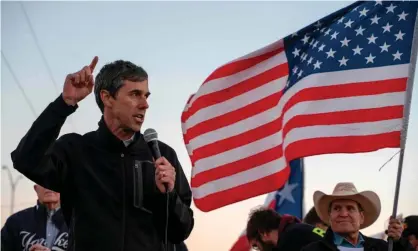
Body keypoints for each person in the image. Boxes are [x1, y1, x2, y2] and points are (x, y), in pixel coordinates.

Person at [11, 57, 194, 251]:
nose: (144, 104)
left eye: (146, 96)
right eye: (135, 94)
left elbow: (180, 231)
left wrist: (167, 196)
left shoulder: (162, 156)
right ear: (107, 97)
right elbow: (25, 159)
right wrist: (64, 104)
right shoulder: (76, 151)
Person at [302, 182, 414, 251]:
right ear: (330, 216)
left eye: (350, 208)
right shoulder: (312, 249)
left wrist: (399, 242)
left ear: (361, 217)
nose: (343, 214)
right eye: (337, 208)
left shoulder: (381, 247)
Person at [1, 184, 69, 251]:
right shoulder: (15, 222)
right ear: (36, 189)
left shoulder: (76, 223)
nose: (48, 185)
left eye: (54, 180)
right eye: (42, 181)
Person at [245, 207, 325, 251]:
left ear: (263, 233)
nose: (260, 250)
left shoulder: (288, 240)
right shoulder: (297, 230)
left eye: (256, 246)